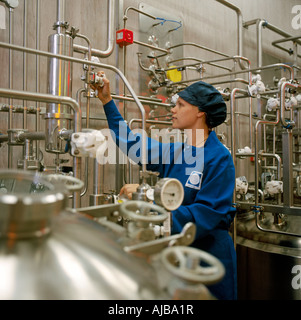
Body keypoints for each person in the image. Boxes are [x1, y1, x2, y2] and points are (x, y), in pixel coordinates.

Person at [91, 72, 237, 300]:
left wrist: (148, 197)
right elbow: (132, 144)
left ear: (200, 112)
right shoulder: (177, 151)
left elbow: (206, 214)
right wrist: (107, 101)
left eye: (180, 104)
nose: (173, 109)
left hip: (207, 256)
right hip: (175, 253)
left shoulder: (219, 158)